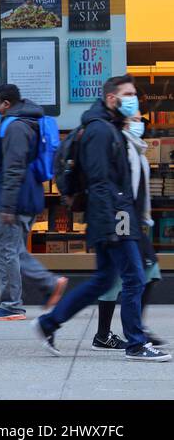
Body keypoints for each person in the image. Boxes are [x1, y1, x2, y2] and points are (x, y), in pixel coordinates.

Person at [37, 75, 169, 361]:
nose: (134, 99)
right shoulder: (100, 131)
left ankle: (49, 322)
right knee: (133, 278)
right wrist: (115, 223)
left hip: (114, 216)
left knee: (103, 280)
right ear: (112, 98)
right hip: (113, 217)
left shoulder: (109, 128)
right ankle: (136, 344)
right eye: (129, 93)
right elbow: (100, 182)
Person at [0, 83, 66, 320]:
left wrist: (6, 206)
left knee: (7, 252)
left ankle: (14, 304)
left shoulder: (16, 127)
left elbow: (14, 169)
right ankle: (41, 288)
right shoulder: (18, 124)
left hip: (13, 202)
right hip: (16, 199)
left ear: (6, 104)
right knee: (11, 250)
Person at [93, 111, 164, 350]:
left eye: (139, 120)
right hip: (122, 219)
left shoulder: (138, 149)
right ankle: (114, 333)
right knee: (124, 275)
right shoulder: (123, 146)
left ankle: (130, 329)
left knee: (148, 271)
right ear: (124, 122)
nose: (139, 124)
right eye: (134, 120)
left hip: (132, 221)